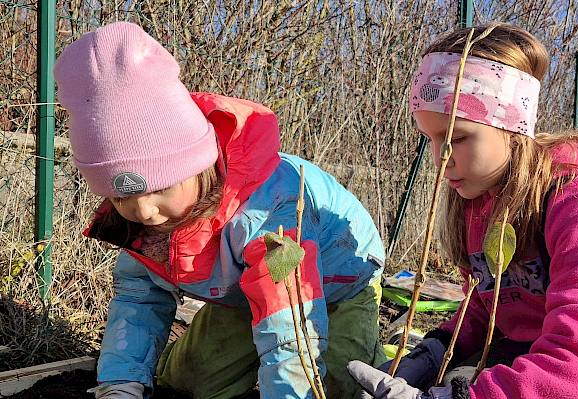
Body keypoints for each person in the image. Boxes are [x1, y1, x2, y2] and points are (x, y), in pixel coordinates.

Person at [347, 23, 578, 399]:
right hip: (536, 346)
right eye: (430, 139)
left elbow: (577, 355)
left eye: (457, 137)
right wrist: (434, 349)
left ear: (512, 126)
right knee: (457, 375)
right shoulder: (477, 198)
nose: (441, 159)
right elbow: (489, 304)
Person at [55, 22, 386, 399]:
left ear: (199, 165)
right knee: (189, 383)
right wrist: (120, 383)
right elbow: (139, 298)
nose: (144, 211)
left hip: (337, 284)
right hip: (244, 296)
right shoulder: (147, 224)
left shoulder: (268, 215)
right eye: (120, 198)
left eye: (160, 188)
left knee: (338, 384)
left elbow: (289, 321)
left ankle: (375, 350)